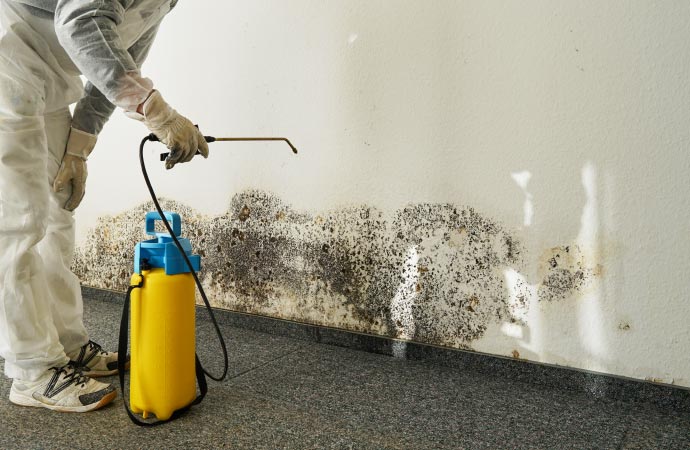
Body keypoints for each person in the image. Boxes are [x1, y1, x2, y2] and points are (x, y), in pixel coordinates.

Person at [0, 0, 208, 413]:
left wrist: (80, 144)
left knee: (59, 212)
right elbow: (80, 20)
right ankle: (32, 368)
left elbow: (116, 57)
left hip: (49, 78)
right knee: (19, 220)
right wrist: (155, 111)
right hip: (8, 60)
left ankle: (68, 345)